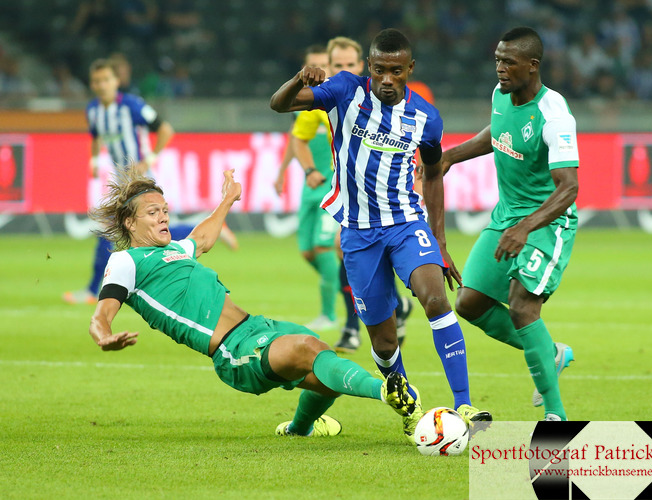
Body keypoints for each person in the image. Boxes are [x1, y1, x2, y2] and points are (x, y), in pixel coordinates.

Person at [271, 28, 491, 435]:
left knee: (435, 299)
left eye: (395, 71)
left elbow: (435, 170)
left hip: (406, 223)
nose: (386, 80)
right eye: (378, 71)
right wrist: (299, 79)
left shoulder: (427, 117)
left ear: (409, 69)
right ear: (368, 67)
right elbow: (278, 104)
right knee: (385, 343)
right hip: (357, 232)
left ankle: (465, 405)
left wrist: (439, 239)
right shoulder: (343, 91)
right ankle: (406, 402)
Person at [87, 167, 417, 437]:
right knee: (307, 349)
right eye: (152, 213)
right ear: (130, 223)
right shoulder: (126, 262)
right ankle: (390, 391)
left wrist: (228, 199)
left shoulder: (172, 250)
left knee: (324, 366)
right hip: (233, 352)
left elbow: (201, 238)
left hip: (256, 327)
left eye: (165, 211)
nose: (163, 218)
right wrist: (104, 335)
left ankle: (298, 429)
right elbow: (102, 313)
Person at [440, 27, 577, 421]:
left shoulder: (554, 115)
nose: (499, 68)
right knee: (469, 302)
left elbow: (569, 188)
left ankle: (555, 416)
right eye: (497, 60)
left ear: (532, 66)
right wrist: (452, 156)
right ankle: (550, 353)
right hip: (506, 215)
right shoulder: (502, 96)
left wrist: (525, 227)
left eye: (508, 62)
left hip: (549, 221)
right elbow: (498, 134)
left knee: (521, 305)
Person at [63, 58, 236, 305]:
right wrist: (92, 161)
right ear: (92, 84)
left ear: (116, 81)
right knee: (131, 230)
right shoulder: (93, 110)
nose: (101, 85)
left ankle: (92, 290)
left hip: (142, 180)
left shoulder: (132, 105)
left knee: (117, 230)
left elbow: (165, 129)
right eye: (97, 81)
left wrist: (150, 158)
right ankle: (207, 227)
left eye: (106, 80)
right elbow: (95, 137)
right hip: (122, 182)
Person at [323, 36, 413, 354]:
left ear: (362, 66)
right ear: (328, 66)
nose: (344, 70)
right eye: (337, 65)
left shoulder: (382, 96)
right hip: (347, 190)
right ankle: (388, 309)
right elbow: (299, 137)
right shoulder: (326, 97)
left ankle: (357, 323)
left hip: (388, 197)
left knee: (344, 250)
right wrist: (308, 169)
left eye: (350, 65)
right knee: (333, 252)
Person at [274, 44, 341, 331]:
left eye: (321, 64)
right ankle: (350, 290)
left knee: (324, 247)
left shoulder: (335, 99)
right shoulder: (300, 101)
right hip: (309, 182)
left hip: (331, 182)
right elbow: (296, 138)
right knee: (307, 251)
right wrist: (283, 171)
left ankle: (330, 314)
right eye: (310, 66)